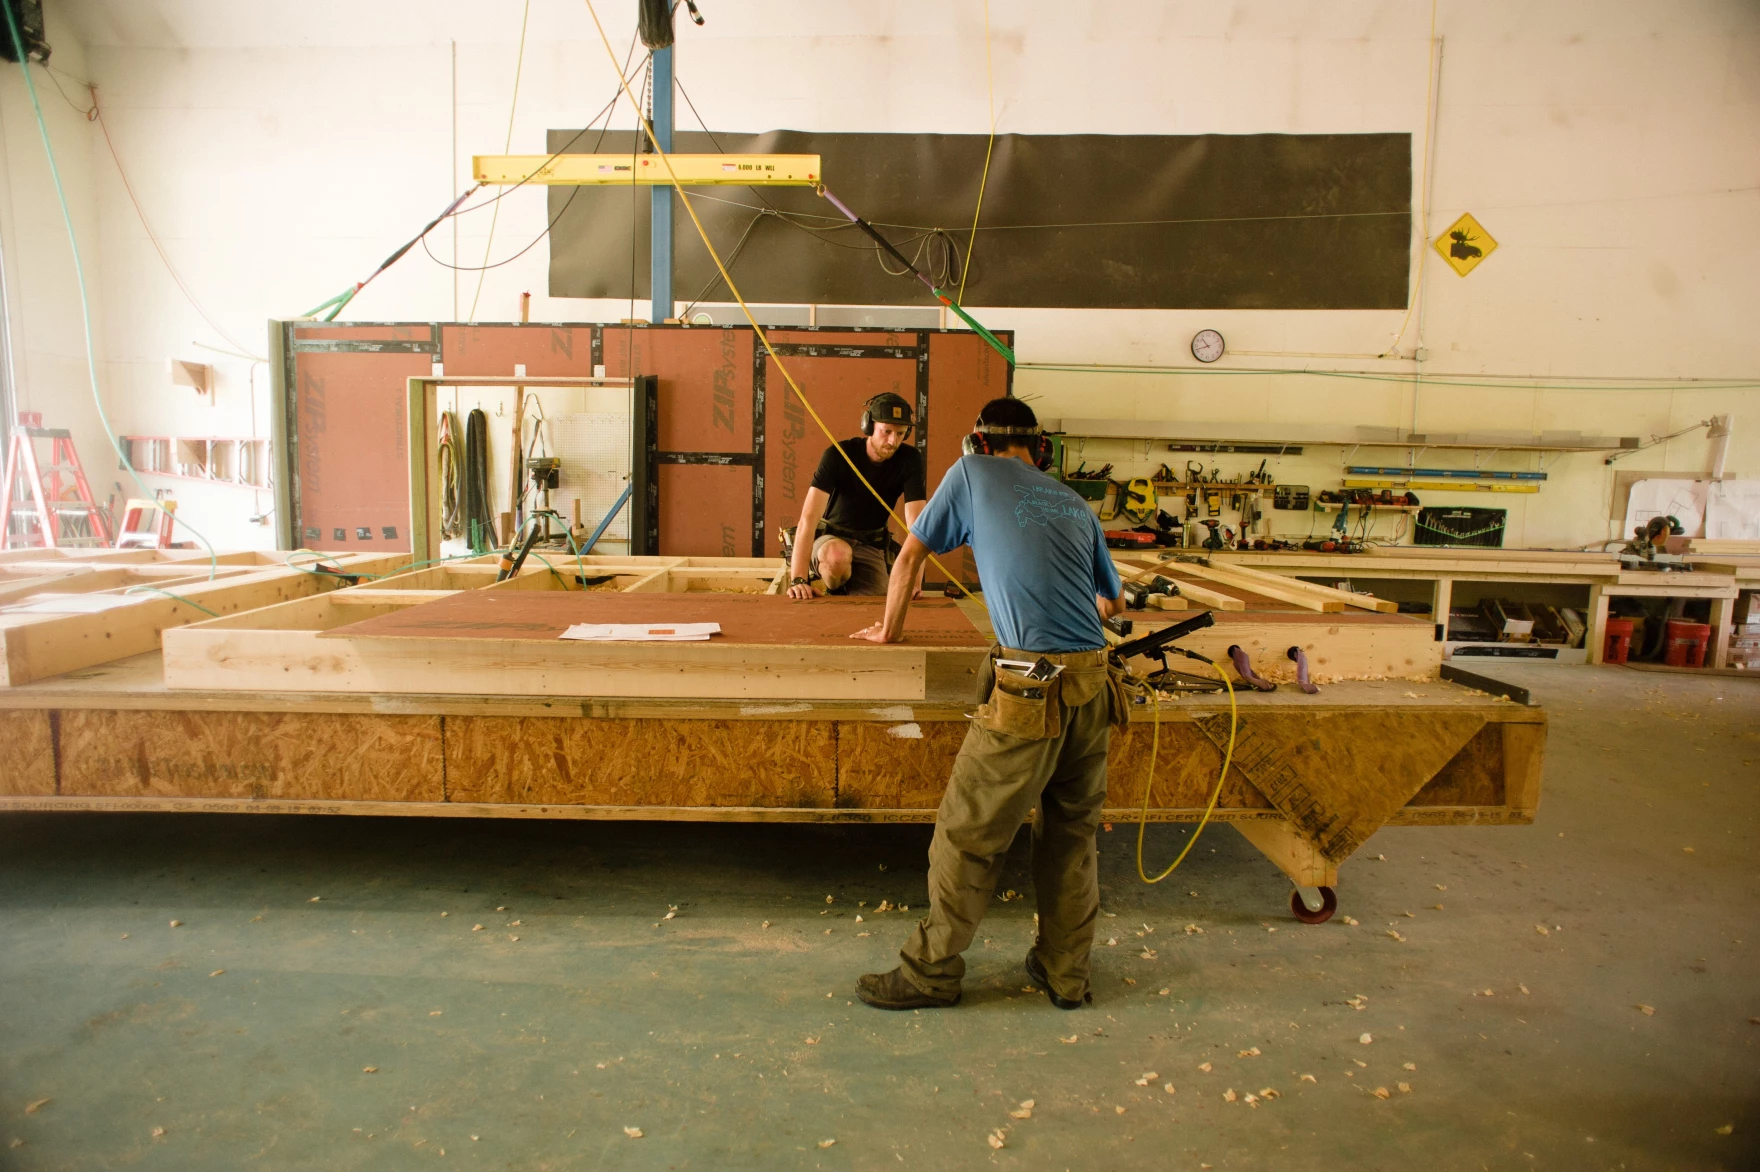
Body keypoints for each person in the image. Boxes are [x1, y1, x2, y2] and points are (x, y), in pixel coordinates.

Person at [850, 397, 1127, 1011]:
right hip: (1094, 685)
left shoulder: (970, 473)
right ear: (1040, 450)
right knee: (1071, 838)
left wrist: (889, 632)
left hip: (1033, 687)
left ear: (977, 442)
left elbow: (910, 556)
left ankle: (929, 974)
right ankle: (1065, 975)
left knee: (967, 834)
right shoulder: (1076, 503)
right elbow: (1113, 605)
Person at [785, 393, 927, 600]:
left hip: (871, 545)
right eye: (886, 431)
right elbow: (808, 518)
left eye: (900, 433)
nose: (892, 441)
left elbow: (919, 525)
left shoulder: (910, 460)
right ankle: (833, 589)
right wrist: (798, 579)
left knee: (878, 604)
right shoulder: (838, 455)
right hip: (831, 540)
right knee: (837, 557)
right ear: (869, 426)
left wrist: (913, 583)